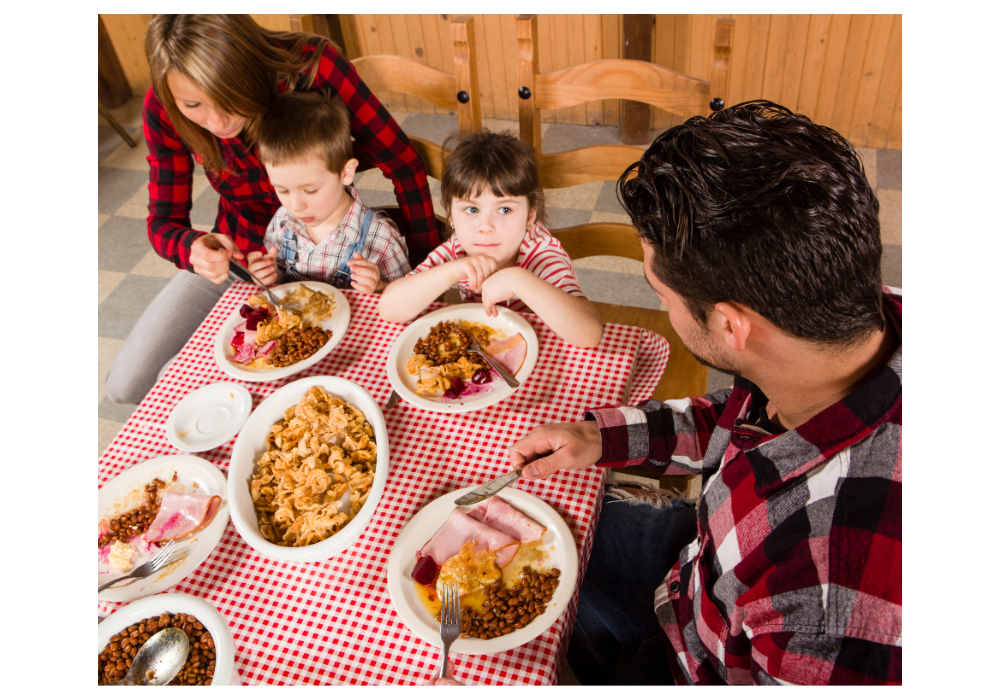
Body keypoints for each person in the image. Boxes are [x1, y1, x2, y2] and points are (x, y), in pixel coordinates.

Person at [502, 102, 902, 685]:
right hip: (697, 571)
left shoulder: (830, 598)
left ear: (730, 326)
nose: (661, 305)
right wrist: (598, 436)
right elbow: (742, 417)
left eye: (661, 294)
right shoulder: (849, 320)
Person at [105, 14, 437, 405]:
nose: (216, 122)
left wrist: (421, 273)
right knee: (125, 384)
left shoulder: (312, 67)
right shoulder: (163, 107)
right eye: (193, 105)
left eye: (228, 98)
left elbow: (403, 163)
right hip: (245, 260)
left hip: (334, 263)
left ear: (248, 68)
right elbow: (163, 222)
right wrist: (192, 246)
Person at [379, 130, 603, 348]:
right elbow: (389, 309)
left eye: (504, 210)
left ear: (530, 217)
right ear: (451, 217)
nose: (485, 227)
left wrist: (518, 280)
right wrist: (451, 271)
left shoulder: (542, 253)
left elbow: (589, 334)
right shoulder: (458, 248)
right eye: (471, 210)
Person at [248, 91, 410, 293]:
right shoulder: (282, 222)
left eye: (310, 190)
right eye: (282, 190)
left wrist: (379, 287)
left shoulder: (380, 237)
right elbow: (281, 275)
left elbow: (408, 297)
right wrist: (271, 274)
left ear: (346, 172)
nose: (296, 206)